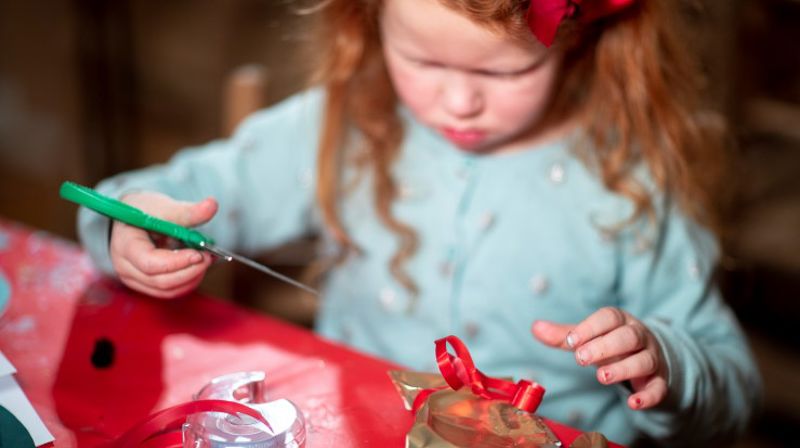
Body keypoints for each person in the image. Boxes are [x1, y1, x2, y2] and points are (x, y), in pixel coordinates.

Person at [77, 0, 761, 445]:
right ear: (368, 21)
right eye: (425, 60)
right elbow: (164, 196)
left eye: (504, 72)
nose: (459, 102)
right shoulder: (345, 122)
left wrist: (665, 362)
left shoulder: (633, 184)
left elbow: (733, 390)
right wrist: (134, 227)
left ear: (576, 42)